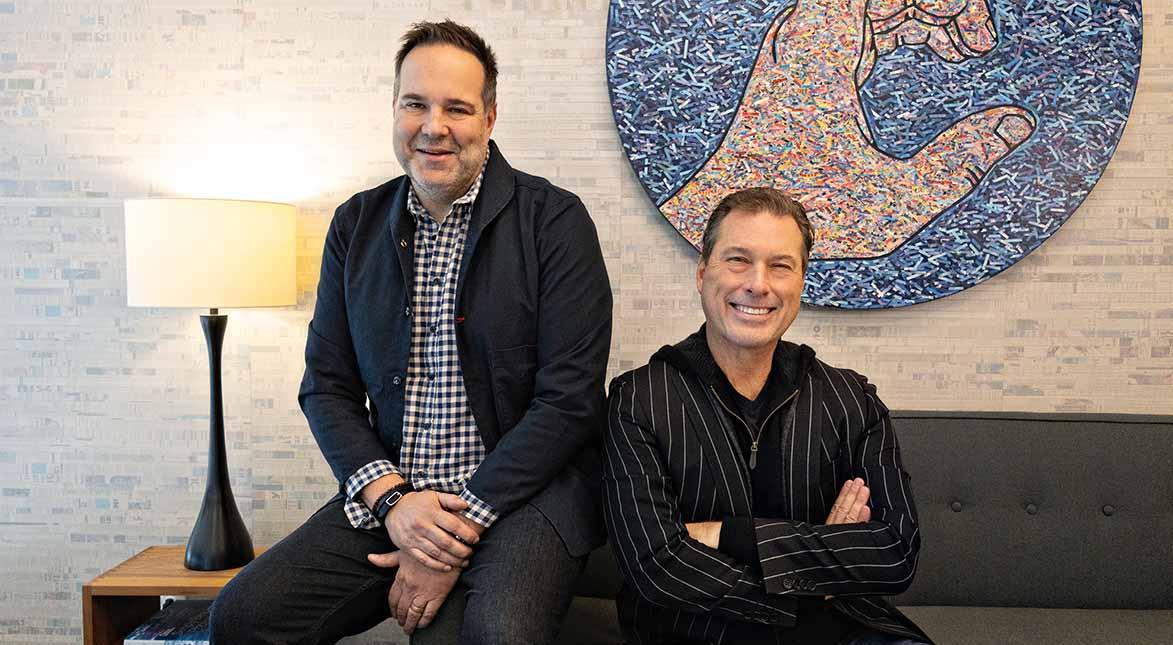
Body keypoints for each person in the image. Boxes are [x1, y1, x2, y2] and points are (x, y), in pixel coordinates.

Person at [210, 20, 612, 644]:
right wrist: (395, 503)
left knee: (491, 637)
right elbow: (327, 388)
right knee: (243, 616)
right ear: (394, 109)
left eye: (457, 108)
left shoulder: (553, 221)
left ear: (490, 117)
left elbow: (570, 400)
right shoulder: (357, 224)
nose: (434, 126)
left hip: (522, 499)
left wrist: (447, 535)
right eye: (415, 104)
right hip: (395, 495)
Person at [603, 187, 932, 644]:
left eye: (781, 265)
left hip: (844, 632)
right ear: (702, 273)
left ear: (801, 281)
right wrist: (818, 582)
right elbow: (657, 565)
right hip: (699, 634)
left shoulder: (851, 398)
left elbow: (895, 553)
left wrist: (727, 535)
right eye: (738, 259)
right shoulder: (639, 399)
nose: (758, 283)